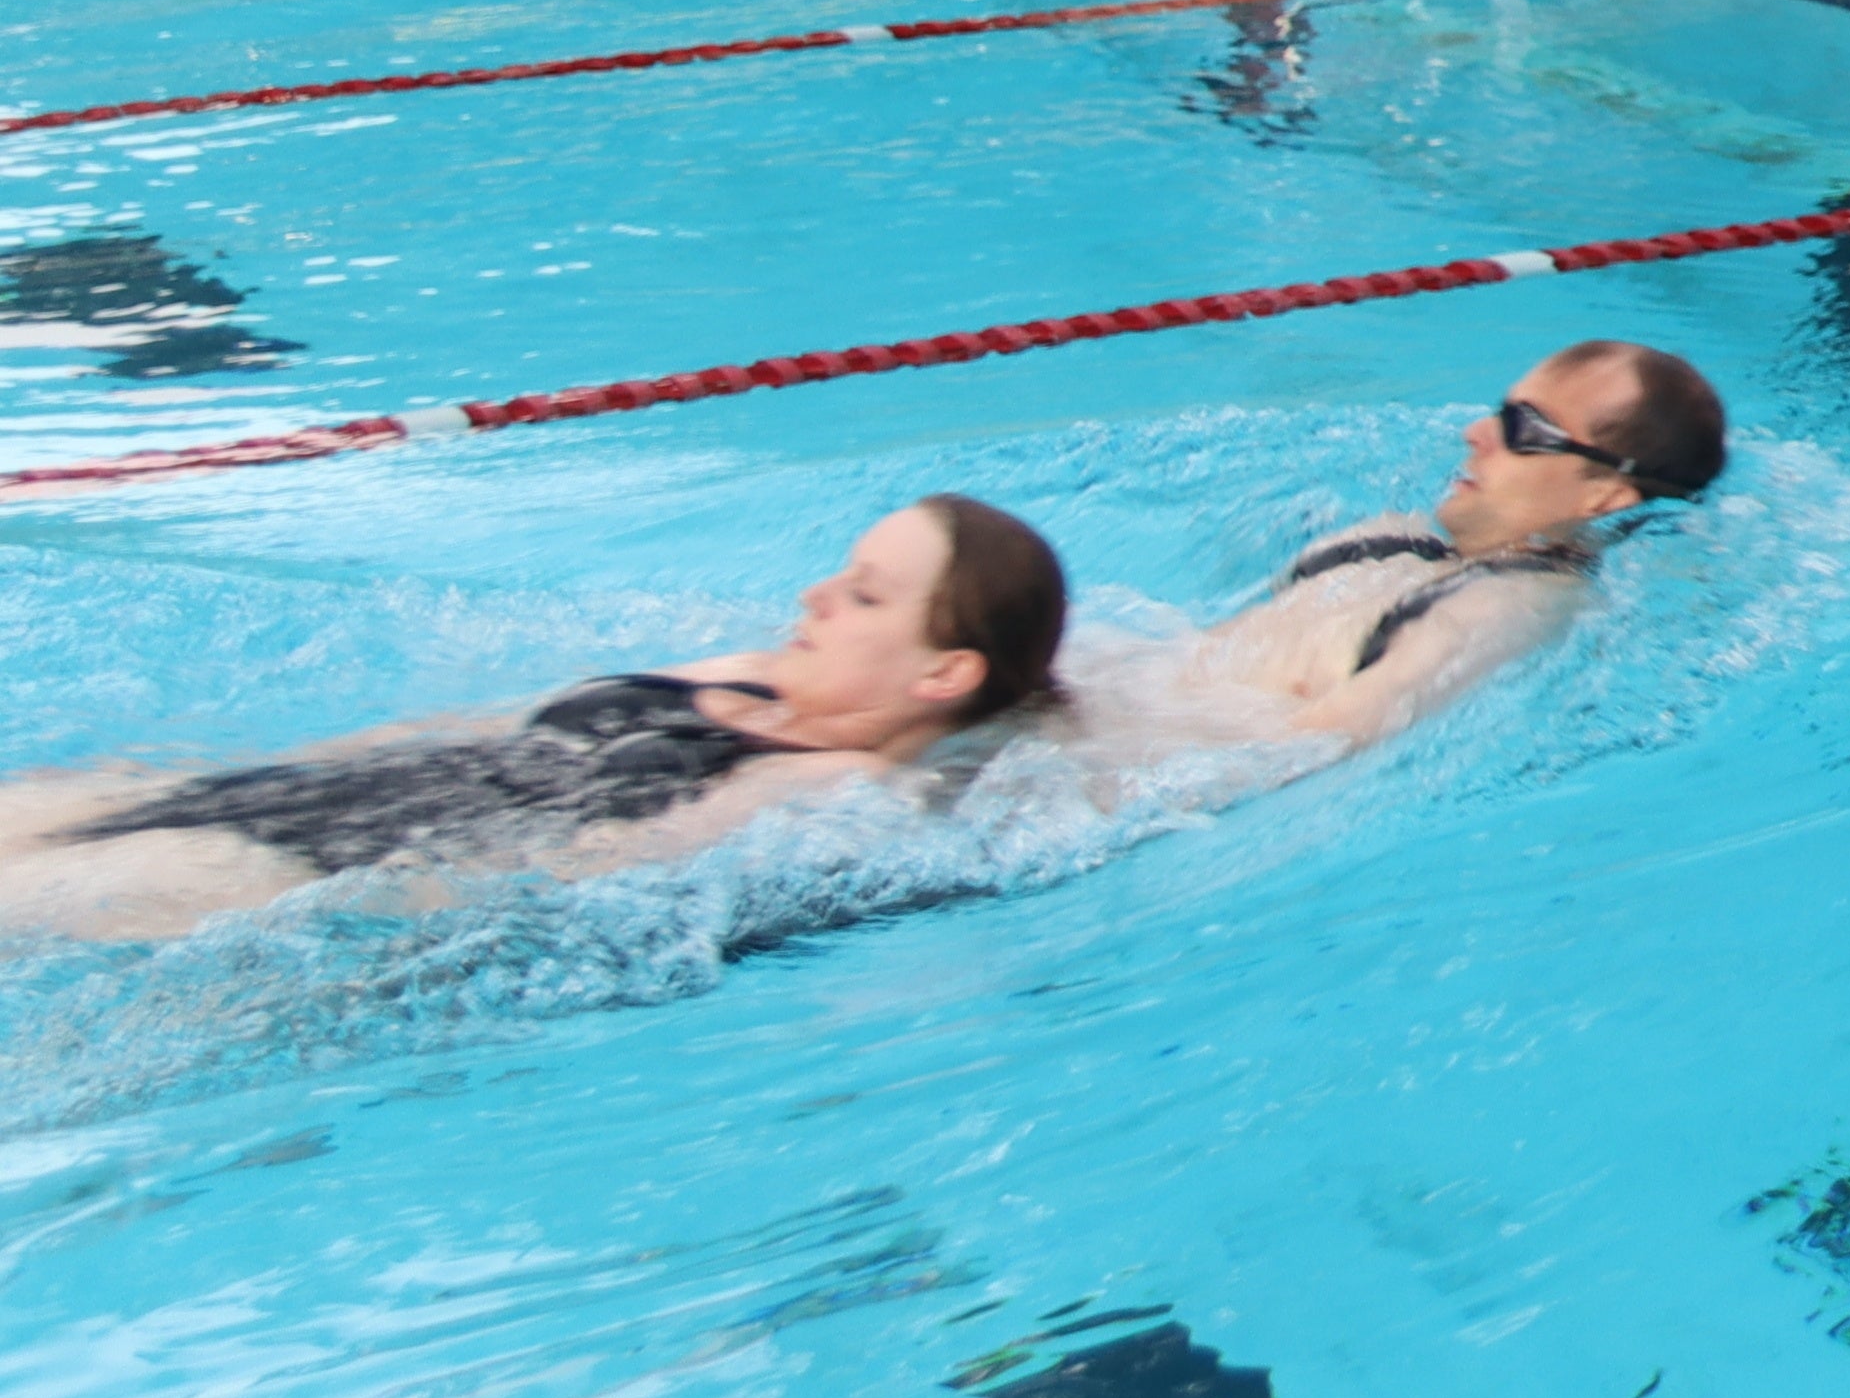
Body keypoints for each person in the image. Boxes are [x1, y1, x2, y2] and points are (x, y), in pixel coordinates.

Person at [0, 493, 1072, 939]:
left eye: (865, 596)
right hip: (281, 797)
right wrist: (221, 782)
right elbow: (472, 729)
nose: (816, 598)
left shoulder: (828, 785)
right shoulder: (749, 676)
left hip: (298, 874)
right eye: (840, 572)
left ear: (945, 672)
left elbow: (586, 871)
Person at [1139, 338, 1727, 751]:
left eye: (1527, 429)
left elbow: (1305, 754)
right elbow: (1181, 660)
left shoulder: (1508, 612)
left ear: (1604, 494)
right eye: (1499, 413)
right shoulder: (1382, 540)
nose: (1476, 434)